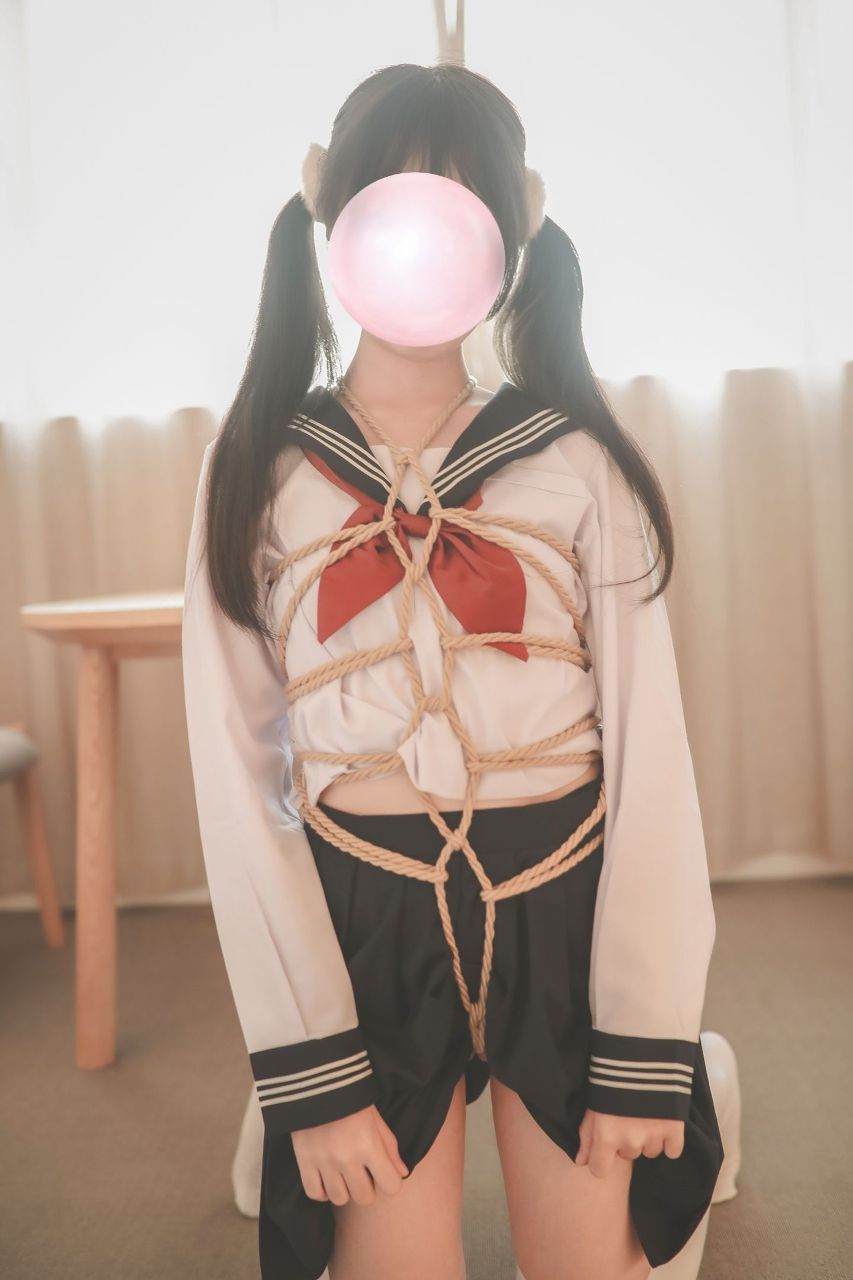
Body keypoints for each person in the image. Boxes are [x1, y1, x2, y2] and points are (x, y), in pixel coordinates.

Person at [182, 61, 724, 1280]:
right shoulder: (259, 464)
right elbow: (236, 775)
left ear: (512, 228)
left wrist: (646, 1031)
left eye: (458, 196)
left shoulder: (575, 459)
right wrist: (308, 1066)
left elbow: (651, 755)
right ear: (332, 214)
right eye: (391, 193)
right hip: (364, 916)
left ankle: (701, 1063)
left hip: (562, 898)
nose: (421, 227)